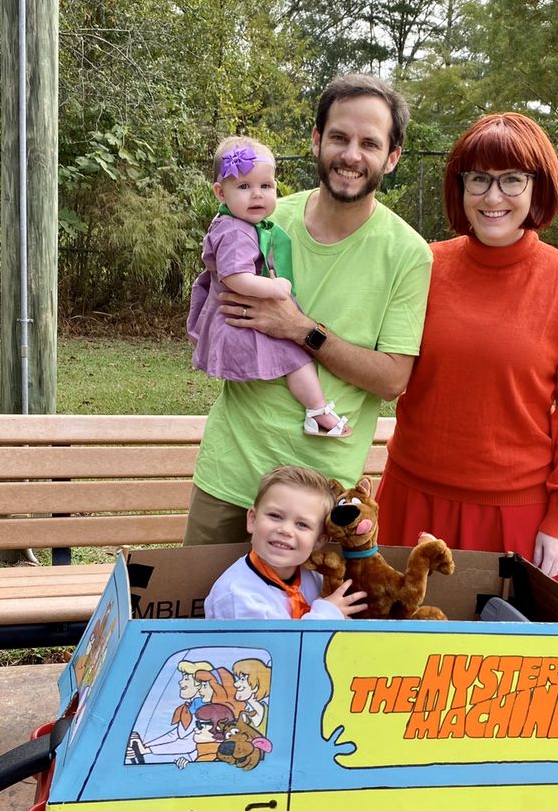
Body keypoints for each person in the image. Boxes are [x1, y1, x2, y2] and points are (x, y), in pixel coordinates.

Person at [183, 74, 433, 546]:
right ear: (317, 141)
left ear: (392, 157)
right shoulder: (263, 216)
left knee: (305, 619)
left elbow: (393, 379)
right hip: (231, 475)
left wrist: (303, 331)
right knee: (202, 613)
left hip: (319, 495)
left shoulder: (407, 254)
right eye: (339, 137)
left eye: (369, 143)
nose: (351, 155)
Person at [376, 113, 558, 589]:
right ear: (460, 186)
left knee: (512, 661)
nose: (493, 196)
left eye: (511, 180)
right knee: (397, 655)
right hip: (413, 498)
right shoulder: (425, 265)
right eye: (479, 179)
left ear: (537, 187)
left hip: (515, 515)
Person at [187, 136, 351, 438]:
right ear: (220, 193)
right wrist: (276, 289)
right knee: (296, 358)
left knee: (294, 357)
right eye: (244, 187)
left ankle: (316, 412)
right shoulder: (236, 232)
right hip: (242, 319)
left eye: (266, 186)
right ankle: (318, 413)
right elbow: (235, 277)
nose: (257, 195)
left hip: (240, 311)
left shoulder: (238, 224)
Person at [203, 465, 367, 620]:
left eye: (302, 524)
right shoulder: (237, 596)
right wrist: (328, 614)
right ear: (252, 520)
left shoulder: (315, 577)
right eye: (275, 516)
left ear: (319, 541)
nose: (285, 530)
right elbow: (277, 648)